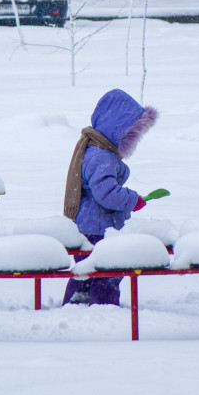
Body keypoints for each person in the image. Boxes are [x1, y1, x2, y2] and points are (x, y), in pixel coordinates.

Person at [62, 89, 158, 305]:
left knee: (85, 271)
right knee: (109, 269)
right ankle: (104, 306)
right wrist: (133, 200)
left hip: (88, 225)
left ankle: (76, 302)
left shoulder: (92, 150)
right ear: (116, 130)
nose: (133, 138)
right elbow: (106, 194)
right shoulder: (101, 157)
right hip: (99, 227)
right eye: (130, 133)